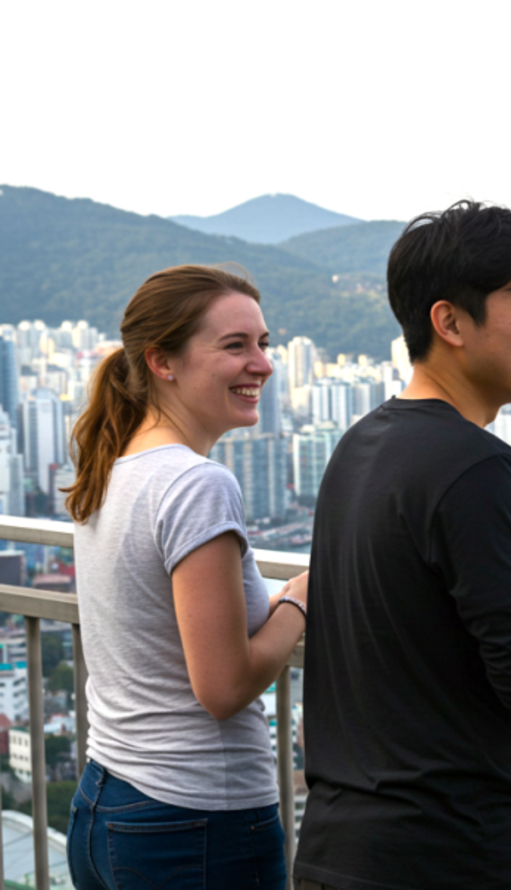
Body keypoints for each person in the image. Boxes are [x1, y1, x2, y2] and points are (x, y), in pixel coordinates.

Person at [294, 201, 511, 890]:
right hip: (451, 853)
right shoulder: (476, 465)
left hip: (337, 848)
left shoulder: (360, 445)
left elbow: (418, 637)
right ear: (450, 321)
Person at [64, 264, 310, 889]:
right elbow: (223, 688)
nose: (263, 364)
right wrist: (300, 603)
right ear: (162, 362)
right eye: (235, 346)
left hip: (105, 803)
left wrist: (270, 604)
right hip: (195, 822)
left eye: (264, 344)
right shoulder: (196, 483)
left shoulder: (115, 469)